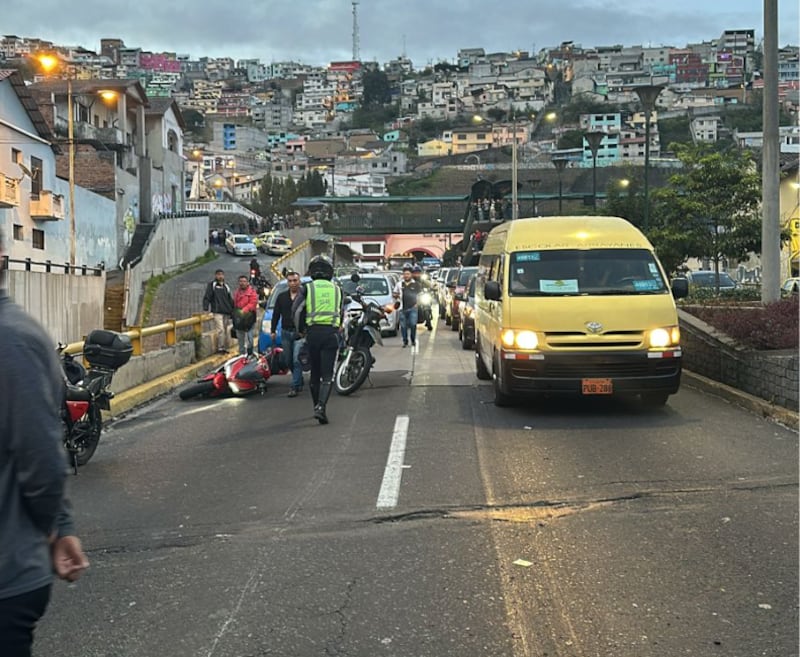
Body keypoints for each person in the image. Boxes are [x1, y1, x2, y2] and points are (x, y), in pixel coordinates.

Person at [0, 232, 89, 656]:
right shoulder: (16, 340)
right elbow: (41, 459)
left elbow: (41, 460)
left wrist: (60, 527)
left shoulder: (12, 341)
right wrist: (60, 527)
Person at [293, 255, 342, 424]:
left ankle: (316, 407)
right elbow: (341, 310)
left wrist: (300, 331)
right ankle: (321, 407)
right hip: (331, 334)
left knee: (314, 374)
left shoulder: (307, 288)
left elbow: (297, 311)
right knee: (327, 375)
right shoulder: (337, 289)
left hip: (313, 334)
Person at [270, 270, 305, 397]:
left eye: (295, 280)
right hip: (285, 332)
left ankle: (294, 386)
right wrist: (273, 330)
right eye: (290, 281)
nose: (293, 283)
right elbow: (275, 315)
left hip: (299, 334)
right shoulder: (282, 297)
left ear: (299, 281)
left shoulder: (304, 296)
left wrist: (305, 331)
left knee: (296, 360)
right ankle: (299, 379)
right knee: (288, 359)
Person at [203, 269, 234, 353]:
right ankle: (220, 348)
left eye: (221, 274)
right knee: (220, 330)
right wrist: (206, 309)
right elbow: (207, 297)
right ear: (215, 276)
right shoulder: (212, 285)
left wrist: (233, 311)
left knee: (225, 330)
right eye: (218, 274)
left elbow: (230, 300)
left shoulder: (226, 286)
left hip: (226, 312)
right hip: (217, 311)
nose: (220, 276)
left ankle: (225, 347)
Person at [393, 264, 422, 347]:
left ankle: (413, 340)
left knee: (413, 324)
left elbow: (420, 295)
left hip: (413, 308)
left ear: (411, 275)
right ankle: (405, 341)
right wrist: (397, 296)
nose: (406, 276)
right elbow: (394, 293)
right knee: (403, 326)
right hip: (402, 308)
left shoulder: (416, 284)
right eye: (405, 274)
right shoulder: (399, 284)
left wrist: (417, 304)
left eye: (408, 274)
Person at [232, 275, 259, 356]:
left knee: (249, 337)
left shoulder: (252, 292)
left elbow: (253, 303)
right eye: (241, 281)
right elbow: (235, 304)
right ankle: (241, 354)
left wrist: (243, 310)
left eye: (244, 281)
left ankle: (250, 353)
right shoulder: (237, 292)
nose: (242, 283)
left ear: (247, 283)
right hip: (239, 319)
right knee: (240, 338)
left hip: (249, 319)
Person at [411, 264, 433, 330]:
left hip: (422, 296)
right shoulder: (410, 281)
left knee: (428, 303)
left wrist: (432, 288)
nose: (417, 274)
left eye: (418, 272)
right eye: (415, 272)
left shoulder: (423, 281)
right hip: (413, 299)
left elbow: (429, 285)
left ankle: (429, 316)